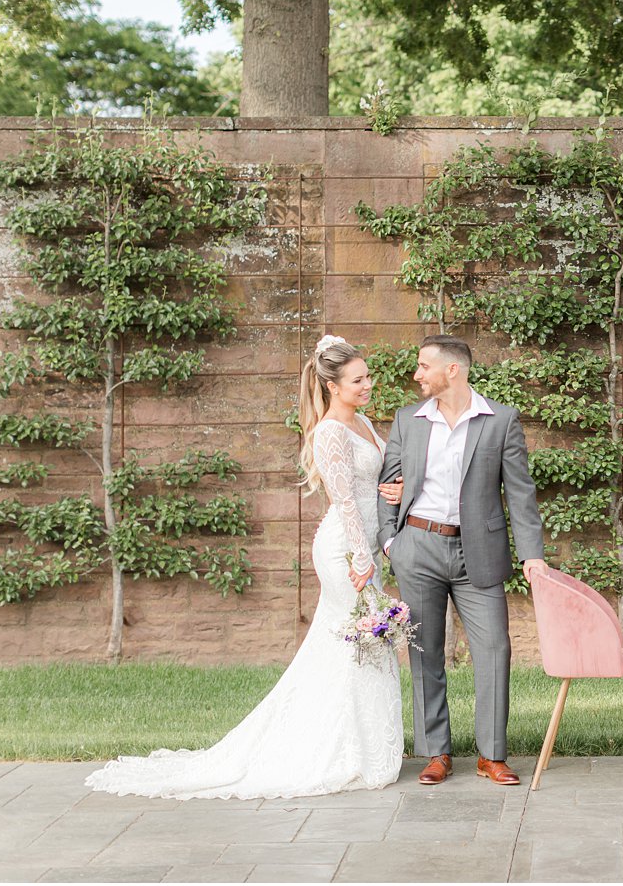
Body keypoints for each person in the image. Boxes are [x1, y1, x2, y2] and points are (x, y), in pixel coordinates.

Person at [85, 336, 405, 799]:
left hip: (365, 550)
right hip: (344, 552)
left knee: (360, 643)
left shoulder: (365, 424)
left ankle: (370, 746)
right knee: (357, 641)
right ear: (333, 386)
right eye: (358, 379)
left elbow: (375, 484)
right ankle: (338, 750)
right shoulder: (330, 433)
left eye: (367, 376)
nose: (368, 385)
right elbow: (344, 502)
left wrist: (390, 494)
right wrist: (360, 558)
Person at [378, 333, 548, 786]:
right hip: (418, 547)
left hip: (480, 554)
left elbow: (520, 493)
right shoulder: (407, 421)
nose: (416, 375)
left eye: (423, 366)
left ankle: (492, 755)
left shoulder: (500, 421)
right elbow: (387, 486)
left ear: (452, 369)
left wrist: (532, 555)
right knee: (424, 652)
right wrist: (390, 541)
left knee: (494, 649)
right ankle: (437, 753)